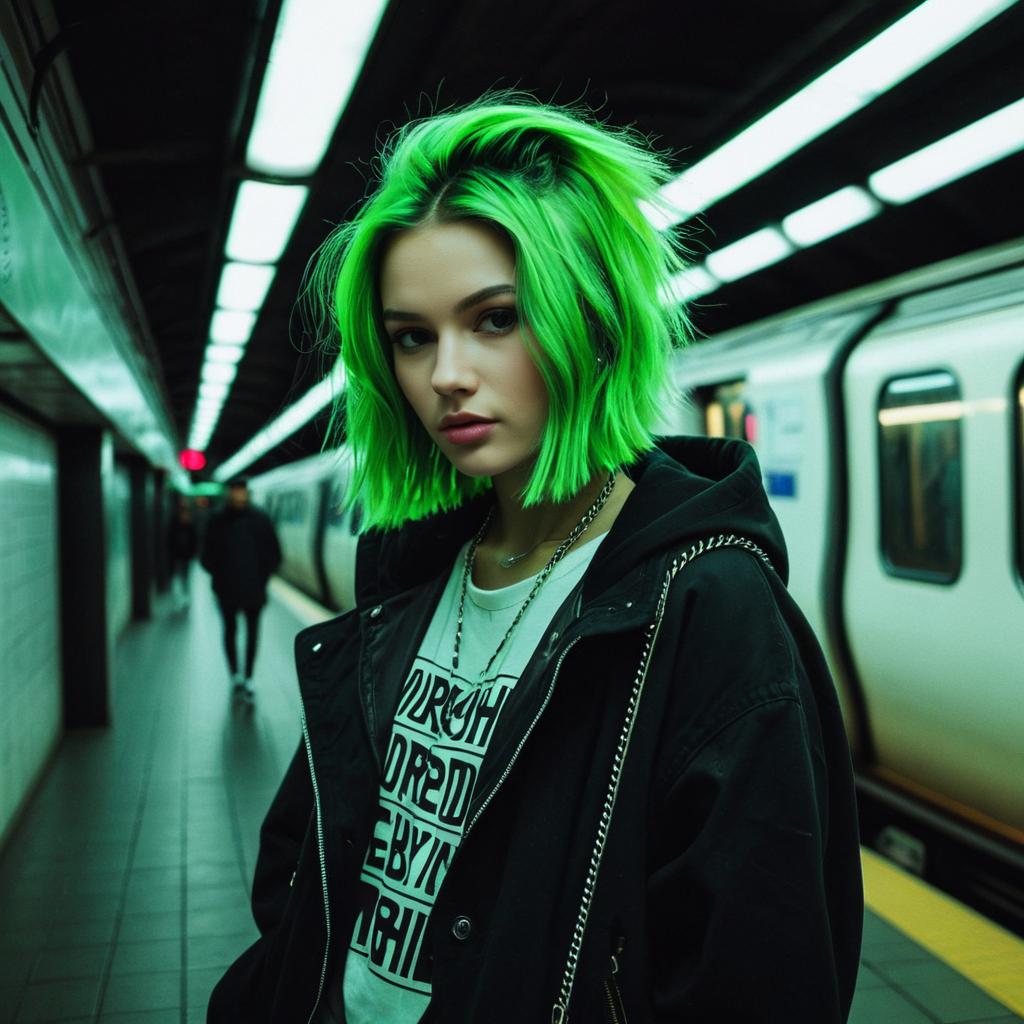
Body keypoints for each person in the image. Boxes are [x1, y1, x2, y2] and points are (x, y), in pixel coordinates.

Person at [208, 96, 862, 1023]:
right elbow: (305, 874)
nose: (446, 375)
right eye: (412, 337)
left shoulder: (707, 607)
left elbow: (758, 974)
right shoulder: (409, 582)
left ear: (590, 323)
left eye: (496, 319)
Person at [200, 478, 281, 700]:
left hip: (253, 589)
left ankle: (248, 677)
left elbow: (274, 554)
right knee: (230, 630)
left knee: (251, 633)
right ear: (229, 493)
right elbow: (206, 556)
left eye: (241, 491)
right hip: (227, 590)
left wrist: (262, 577)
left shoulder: (260, 519)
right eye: (234, 491)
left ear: (247, 492)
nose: (238, 496)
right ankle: (235, 674)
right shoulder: (217, 520)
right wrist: (220, 575)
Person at [166, 496, 198, 611]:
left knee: (184, 576)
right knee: (179, 576)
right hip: (177, 555)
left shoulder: (189, 524)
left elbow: (194, 539)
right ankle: (180, 597)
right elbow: (170, 538)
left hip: (185, 555)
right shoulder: (176, 522)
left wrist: (192, 553)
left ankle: (185, 596)